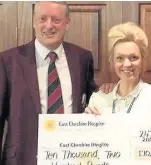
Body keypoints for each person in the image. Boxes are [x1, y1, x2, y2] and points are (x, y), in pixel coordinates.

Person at [0, 1, 96, 164]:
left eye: (56, 20)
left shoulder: (82, 57)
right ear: (33, 22)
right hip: (23, 158)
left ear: (67, 23)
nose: (49, 25)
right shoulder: (8, 61)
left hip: (71, 155)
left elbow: (91, 100)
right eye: (42, 19)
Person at [85, 22, 151, 114]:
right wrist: (87, 123)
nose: (127, 64)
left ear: (143, 59)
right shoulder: (98, 99)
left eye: (133, 57)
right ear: (112, 62)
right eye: (120, 58)